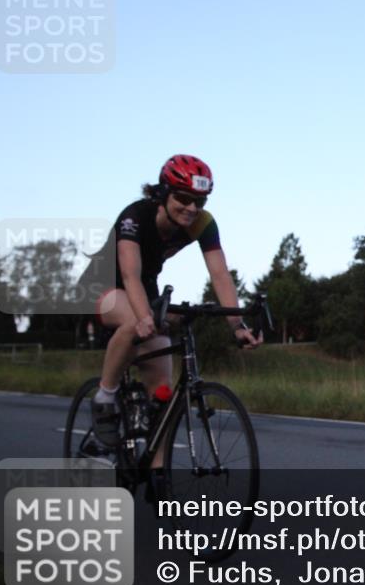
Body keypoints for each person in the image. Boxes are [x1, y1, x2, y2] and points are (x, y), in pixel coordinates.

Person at [88, 154, 262, 456]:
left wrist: (236, 325)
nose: (192, 208)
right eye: (183, 198)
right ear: (164, 192)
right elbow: (130, 274)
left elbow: (219, 274)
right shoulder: (135, 215)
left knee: (163, 396)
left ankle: (158, 480)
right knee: (135, 321)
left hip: (147, 286)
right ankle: (105, 397)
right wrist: (144, 315)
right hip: (107, 285)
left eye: (200, 201)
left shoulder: (202, 223)